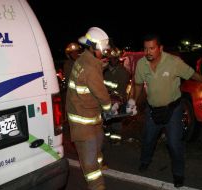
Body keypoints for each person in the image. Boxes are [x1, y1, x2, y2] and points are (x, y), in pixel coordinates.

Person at [132, 34, 202, 188]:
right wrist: (132, 102)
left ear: (160, 48)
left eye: (152, 48)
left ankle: (178, 174)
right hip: (152, 110)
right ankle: (144, 162)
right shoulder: (142, 64)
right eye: (145, 48)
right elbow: (137, 85)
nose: (148, 52)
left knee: (175, 144)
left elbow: (194, 74)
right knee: (148, 140)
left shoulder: (173, 62)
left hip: (173, 110)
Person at [66, 27, 116, 190]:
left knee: (98, 142)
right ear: (94, 47)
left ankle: (99, 163)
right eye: (103, 50)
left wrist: (99, 66)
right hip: (82, 122)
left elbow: (88, 77)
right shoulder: (90, 67)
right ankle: (97, 185)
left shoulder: (84, 60)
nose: (105, 53)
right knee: (89, 164)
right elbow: (101, 94)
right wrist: (110, 108)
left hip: (91, 116)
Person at [103, 47, 130, 144]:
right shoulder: (104, 71)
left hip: (118, 101)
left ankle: (116, 141)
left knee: (117, 122)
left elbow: (121, 87)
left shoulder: (123, 72)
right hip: (106, 100)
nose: (113, 60)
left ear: (118, 59)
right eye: (111, 58)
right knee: (107, 120)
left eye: (115, 58)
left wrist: (110, 90)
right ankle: (108, 138)